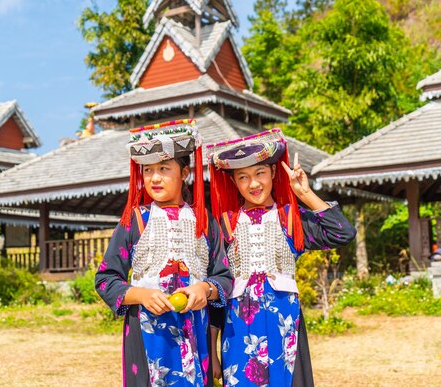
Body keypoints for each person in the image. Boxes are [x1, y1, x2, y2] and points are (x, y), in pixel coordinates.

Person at [206, 129, 356, 387]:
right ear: (234, 182)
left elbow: (343, 233)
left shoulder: (291, 219)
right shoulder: (224, 226)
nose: (253, 184)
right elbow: (217, 292)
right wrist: (212, 351)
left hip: (285, 325)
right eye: (243, 177)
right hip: (237, 329)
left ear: (274, 173)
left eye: (260, 173)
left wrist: (304, 194)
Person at [96, 119, 232, 387]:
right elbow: (105, 279)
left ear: (185, 173)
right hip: (147, 331)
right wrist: (142, 295)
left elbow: (224, 277)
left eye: (164, 168)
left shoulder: (205, 220)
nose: (154, 178)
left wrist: (205, 289)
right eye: (148, 170)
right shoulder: (133, 220)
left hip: (196, 327)